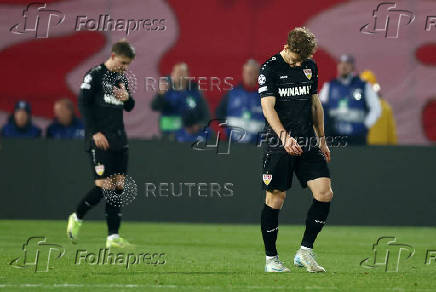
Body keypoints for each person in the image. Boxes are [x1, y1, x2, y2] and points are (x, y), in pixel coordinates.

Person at [259, 27, 332, 273]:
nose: (302, 62)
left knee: (324, 193)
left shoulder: (309, 66)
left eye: (305, 58)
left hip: (307, 141)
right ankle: (272, 260)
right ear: (287, 47)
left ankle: (305, 251)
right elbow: (268, 109)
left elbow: (314, 103)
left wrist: (321, 138)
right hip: (279, 143)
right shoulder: (269, 69)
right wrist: (284, 137)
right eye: (298, 58)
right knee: (275, 198)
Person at [66, 40, 136, 248]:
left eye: (128, 64)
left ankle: (113, 237)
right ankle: (76, 217)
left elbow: (130, 106)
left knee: (117, 188)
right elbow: (83, 103)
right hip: (100, 139)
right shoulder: (94, 75)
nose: (125, 67)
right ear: (113, 56)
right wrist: (94, 132)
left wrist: (127, 98)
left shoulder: (120, 77)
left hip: (119, 139)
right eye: (123, 62)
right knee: (104, 187)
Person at [319, 54, 381, 145]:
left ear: (353, 67)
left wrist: (365, 125)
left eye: (347, 64)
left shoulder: (363, 86)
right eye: (341, 63)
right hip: (335, 137)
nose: (344, 66)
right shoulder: (330, 86)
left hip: (357, 137)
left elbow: (376, 108)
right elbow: (318, 109)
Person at [150, 62, 210, 140]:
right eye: (177, 73)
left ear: (188, 75)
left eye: (182, 73)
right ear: (172, 75)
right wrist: (160, 95)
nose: (179, 76)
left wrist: (198, 125)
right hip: (170, 133)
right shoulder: (166, 91)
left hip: (192, 133)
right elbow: (154, 107)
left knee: (208, 134)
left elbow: (205, 114)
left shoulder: (195, 92)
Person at [215, 59, 264, 143]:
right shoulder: (231, 94)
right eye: (247, 72)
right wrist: (224, 134)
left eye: (252, 73)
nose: (249, 75)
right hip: (232, 145)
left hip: (256, 147)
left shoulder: (266, 97)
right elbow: (218, 116)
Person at [360, 70, 397, 145]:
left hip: (362, 149)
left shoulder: (356, 107)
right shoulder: (385, 106)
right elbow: (391, 135)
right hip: (380, 151)